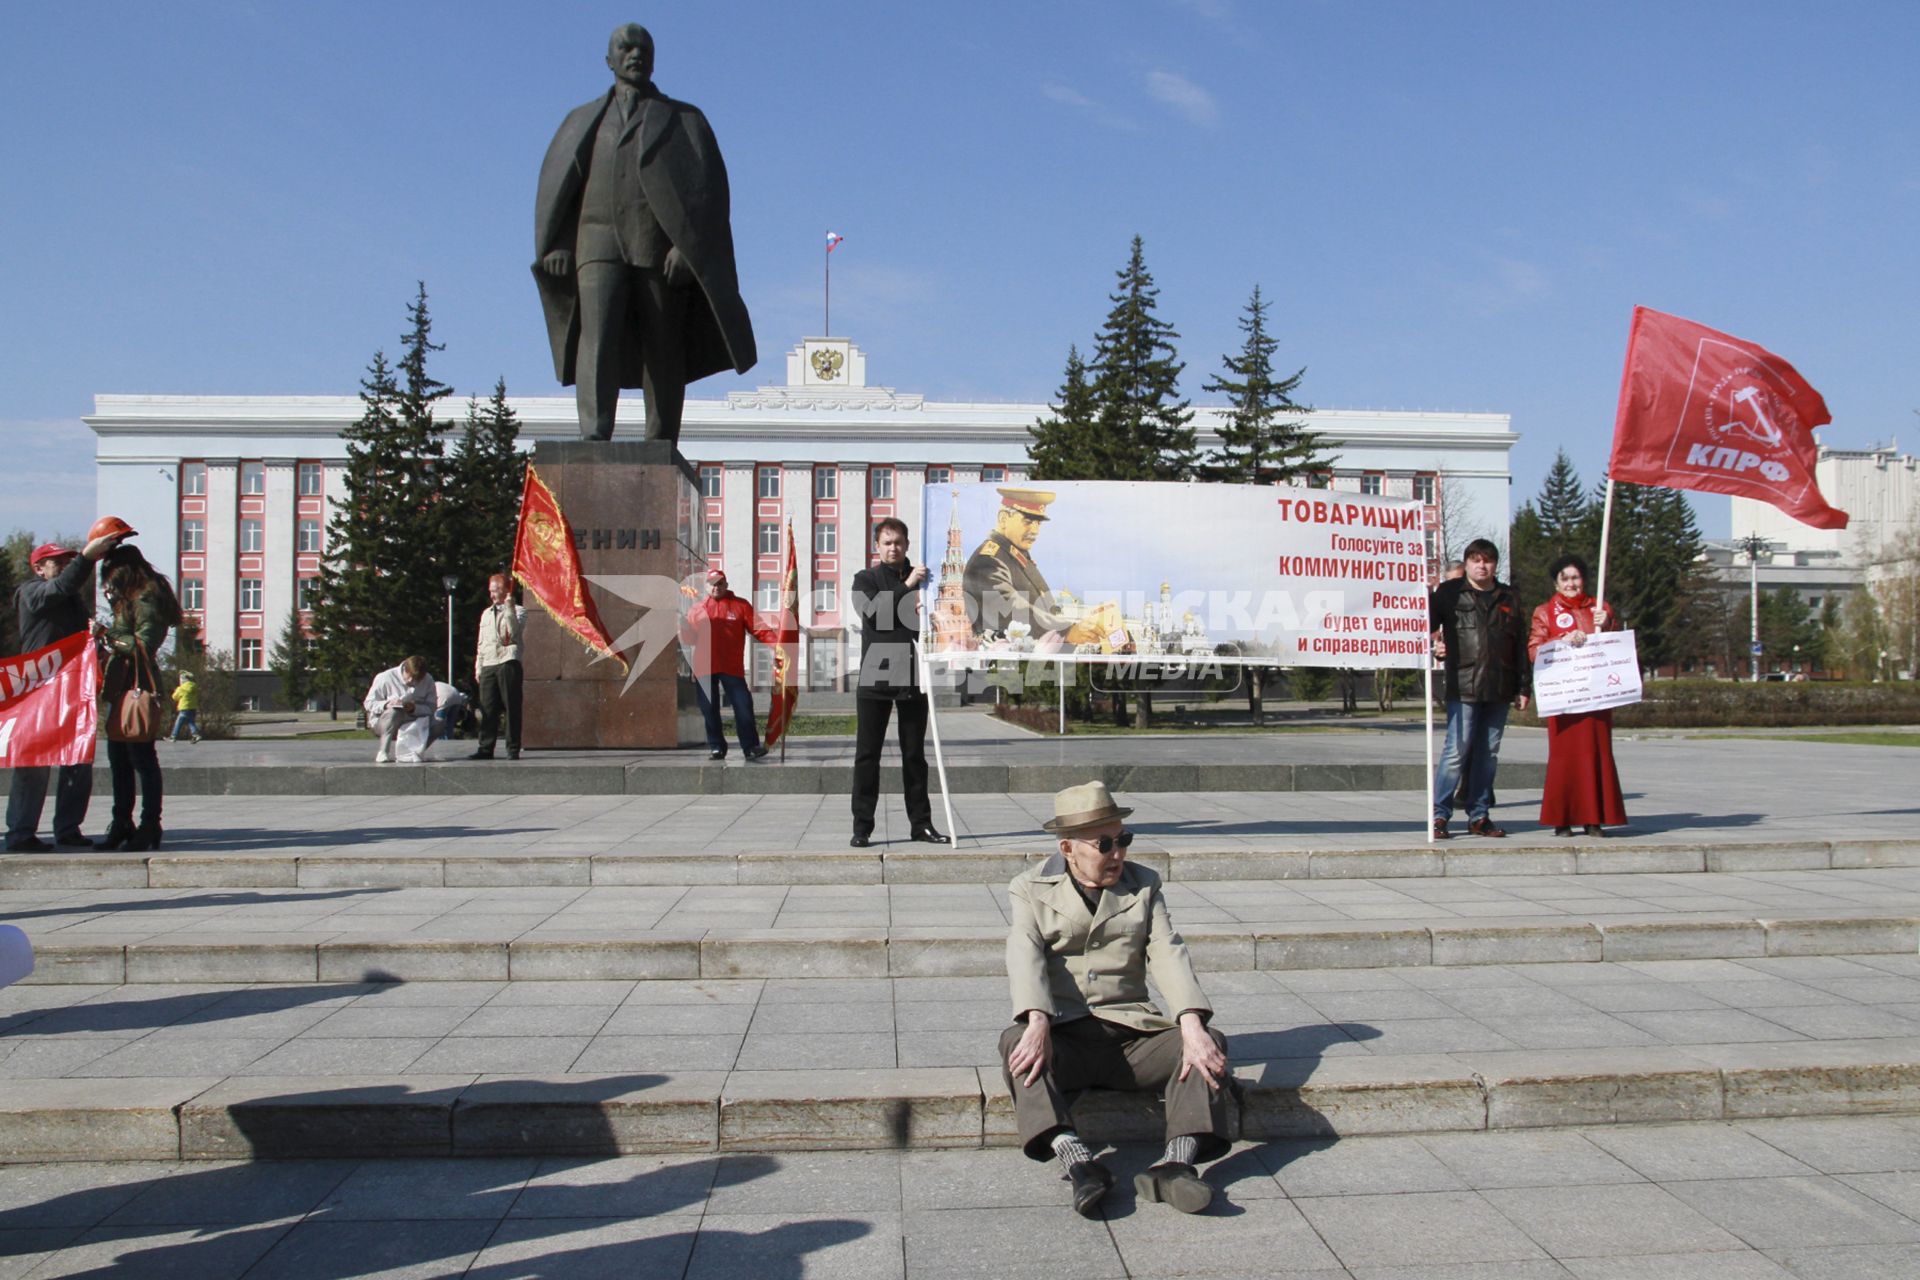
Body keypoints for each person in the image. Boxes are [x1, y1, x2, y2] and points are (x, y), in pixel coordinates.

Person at [1002, 781, 1233, 1218]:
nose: (1117, 853)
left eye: (1123, 839)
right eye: (1104, 843)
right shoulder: (1029, 887)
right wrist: (1036, 1021)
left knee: (1208, 1044)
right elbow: (1024, 951)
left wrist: (1190, 1022)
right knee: (1016, 1045)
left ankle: (1174, 1166)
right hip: (1064, 1036)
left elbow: (1167, 949)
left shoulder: (1144, 884)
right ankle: (1080, 1164)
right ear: (1068, 847)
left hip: (1131, 1036)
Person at [533, 22, 756, 443]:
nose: (635, 55)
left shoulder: (683, 119)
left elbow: (709, 192)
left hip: (657, 247)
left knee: (663, 343)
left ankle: (660, 438)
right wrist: (558, 242)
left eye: (644, 49)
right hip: (595, 242)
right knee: (596, 338)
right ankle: (595, 433)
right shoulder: (583, 120)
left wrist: (688, 249)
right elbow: (561, 186)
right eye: (626, 48)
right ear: (609, 59)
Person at [5, 529, 126, 852]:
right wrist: (87, 557)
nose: (62, 566)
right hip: (39, 691)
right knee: (33, 763)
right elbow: (63, 585)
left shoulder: (69, 599)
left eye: (66, 561)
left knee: (77, 758)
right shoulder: (32, 592)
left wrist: (94, 640)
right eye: (56, 561)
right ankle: (20, 833)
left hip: (70, 688)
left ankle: (68, 828)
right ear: (38, 568)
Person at [850, 519, 947, 847]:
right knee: (867, 756)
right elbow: (874, 614)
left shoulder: (926, 580)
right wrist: (907, 585)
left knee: (914, 756)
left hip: (912, 676)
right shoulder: (865, 579)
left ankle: (921, 825)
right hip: (875, 676)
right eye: (887, 543)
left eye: (899, 543)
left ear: (907, 545)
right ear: (877, 546)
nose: (893, 548)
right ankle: (862, 828)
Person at [1429, 538, 1530, 839]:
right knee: (1455, 752)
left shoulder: (1509, 596)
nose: (1481, 565)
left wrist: (1524, 686)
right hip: (1463, 684)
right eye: (1475, 559)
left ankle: (1479, 815)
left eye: (1487, 560)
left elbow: (1520, 644)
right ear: (1467, 563)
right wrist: (1435, 645)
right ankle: (1439, 815)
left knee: (1488, 754)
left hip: (1500, 686)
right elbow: (1427, 626)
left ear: (1495, 564)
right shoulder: (1448, 592)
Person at [1529, 554, 1628, 837]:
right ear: (1556, 583)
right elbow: (1534, 651)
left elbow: (1616, 648)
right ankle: (1562, 819)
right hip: (1563, 700)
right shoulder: (1544, 612)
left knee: (1595, 754)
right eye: (1565, 578)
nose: (1571, 583)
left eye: (1576, 577)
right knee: (1565, 759)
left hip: (1596, 697)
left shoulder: (1599, 608)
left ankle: (1593, 818)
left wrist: (1608, 623)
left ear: (1583, 580)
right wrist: (1560, 640)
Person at [98, 541, 183, 852]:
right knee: (119, 758)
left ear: (124, 572)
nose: (108, 585)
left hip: (138, 687)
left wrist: (106, 634)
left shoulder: (146, 597)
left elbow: (142, 646)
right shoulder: (131, 597)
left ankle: (149, 824)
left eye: (110, 577)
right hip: (124, 684)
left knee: (141, 759)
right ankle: (122, 822)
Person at [963, 488, 1118, 650]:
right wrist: (1066, 630)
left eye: (1038, 523)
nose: (1035, 531)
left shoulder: (1014, 557)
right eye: (1028, 521)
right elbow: (1011, 609)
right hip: (1004, 665)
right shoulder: (988, 559)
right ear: (1003, 519)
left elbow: (1045, 611)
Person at [680, 569, 777, 760]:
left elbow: (760, 630)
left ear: (726, 585)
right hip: (704, 668)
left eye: (719, 583)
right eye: (712, 584)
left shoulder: (740, 606)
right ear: (706, 587)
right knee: (709, 709)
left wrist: (778, 645)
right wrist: (681, 627)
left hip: (731, 667)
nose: (716, 587)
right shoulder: (696, 610)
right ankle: (717, 747)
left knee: (743, 706)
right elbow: (690, 639)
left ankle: (750, 747)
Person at [469, 574, 525, 761]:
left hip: (508, 662)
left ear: (506, 590)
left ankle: (512, 748)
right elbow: (481, 643)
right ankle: (485, 747)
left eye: (496, 590)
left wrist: (509, 608)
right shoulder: (486, 613)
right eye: (491, 590)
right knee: (487, 708)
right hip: (489, 664)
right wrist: (479, 667)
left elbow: (513, 632)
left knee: (511, 707)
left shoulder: (518, 610)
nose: (492, 594)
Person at [363, 656, 437, 765]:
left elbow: (431, 707)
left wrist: (414, 708)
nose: (412, 681)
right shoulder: (385, 677)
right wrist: (387, 704)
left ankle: (415, 752)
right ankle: (383, 751)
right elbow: (368, 703)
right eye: (409, 676)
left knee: (439, 723)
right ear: (404, 669)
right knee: (394, 713)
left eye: (418, 679)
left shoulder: (428, 680)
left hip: (412, 719)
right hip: (386, 721)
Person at [168, 671, 202, 744]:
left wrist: (176, 690)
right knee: (191, 722)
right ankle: (195, 734)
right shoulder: (194, 686)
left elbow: (174, 697)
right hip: (193, 707)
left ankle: (173, 736)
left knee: (178, 722)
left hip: (184, 708)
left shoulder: (181, 688)